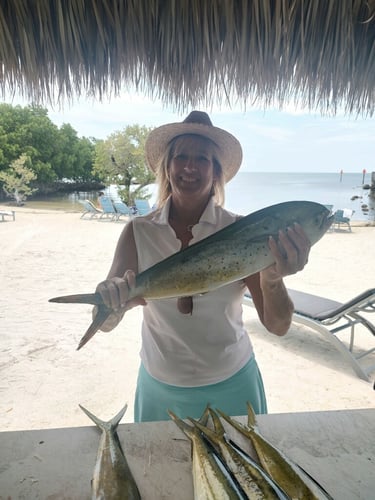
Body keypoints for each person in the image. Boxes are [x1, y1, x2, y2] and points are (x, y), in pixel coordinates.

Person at [93, 111, 311, 422]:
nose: (190, 166)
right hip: (160, 389)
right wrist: (110, 303)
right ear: (167, 167)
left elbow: (278, 326)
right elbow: (105, 323)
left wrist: (273, 277)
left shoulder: (241, 231)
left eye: (202, 159)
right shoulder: (138, 231)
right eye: (181, 156)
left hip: (232, 386)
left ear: (217, 172)